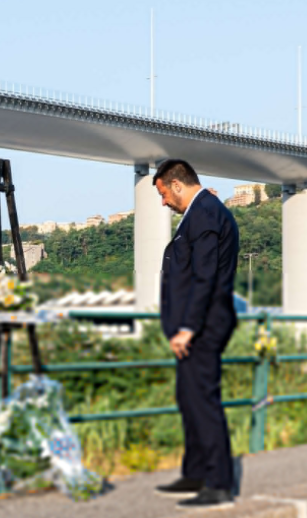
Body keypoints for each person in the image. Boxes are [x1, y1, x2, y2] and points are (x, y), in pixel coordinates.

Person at [152, 159, 239, 510]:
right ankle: (196, 472)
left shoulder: (204, 213)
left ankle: (217, 484)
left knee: (203, 403)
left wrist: (187, 328)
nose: (162, 203)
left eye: (162, 194)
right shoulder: (203, 210)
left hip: (202, 327)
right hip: (196, 326)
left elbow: (206, 277)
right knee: (189, 400)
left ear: (176, 184)